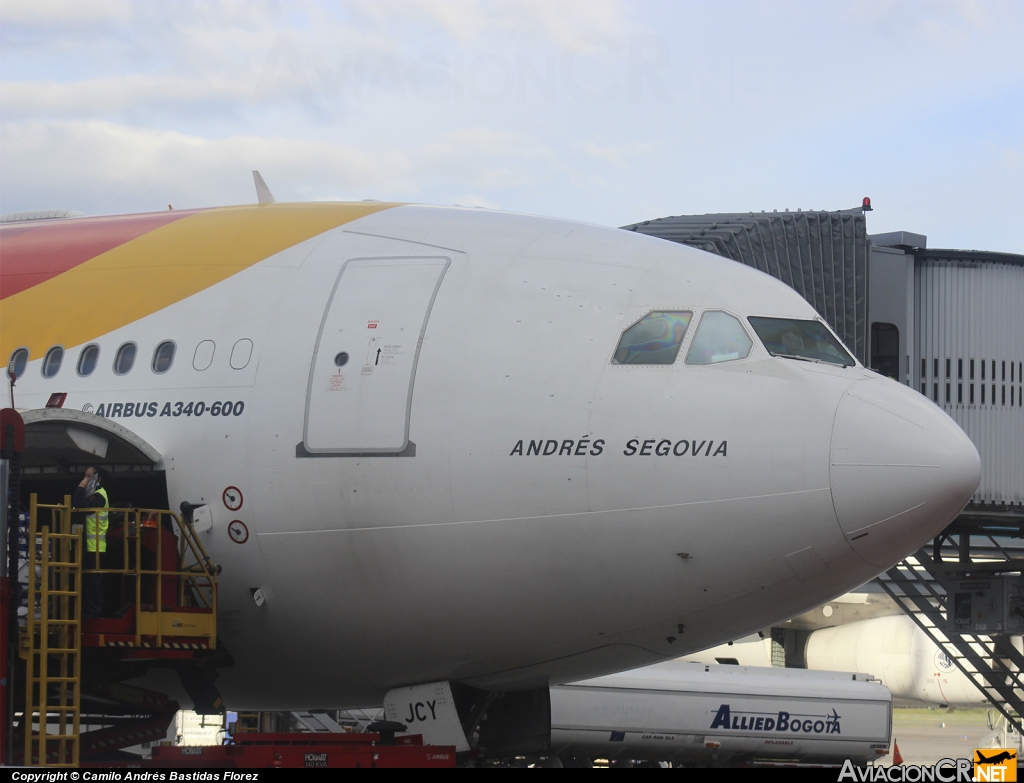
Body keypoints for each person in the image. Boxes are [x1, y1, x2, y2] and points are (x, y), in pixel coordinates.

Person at [73, 466, 109, 617]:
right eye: (84, 476)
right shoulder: (90, 494)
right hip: (83, 545)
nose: (84, 480)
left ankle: (94, 613)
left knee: (93, 582)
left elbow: (79, 503)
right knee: (83, 580)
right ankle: (83, 612)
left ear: (98, 479)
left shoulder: (99, 495)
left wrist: (80, 487)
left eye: (88, 477)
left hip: (94, 546)